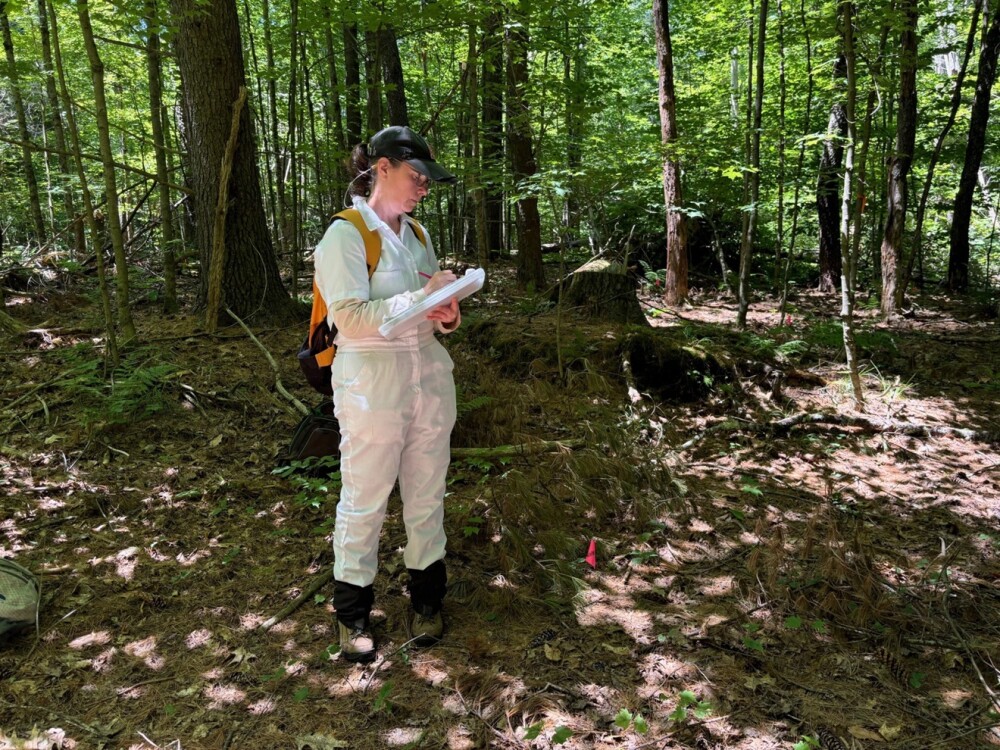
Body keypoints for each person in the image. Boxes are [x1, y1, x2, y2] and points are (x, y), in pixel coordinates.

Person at [312, 125, 461, 663]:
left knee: (427, 494)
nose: (424, 187)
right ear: (382, 168)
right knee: (365, 497)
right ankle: (352, 614)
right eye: (416, 176)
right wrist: (421, 298)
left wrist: (445, 311)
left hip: (428, 377)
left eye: (427, 180)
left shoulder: (418, 236)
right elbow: (348, 320)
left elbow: (427, 311)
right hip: (371, 382)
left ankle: (427, 600)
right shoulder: (346, 235)